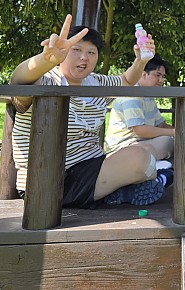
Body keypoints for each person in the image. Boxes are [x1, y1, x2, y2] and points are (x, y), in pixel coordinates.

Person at [10, 14, 170, 209]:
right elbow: (18, 81)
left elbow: (127, 81)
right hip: (46, 179)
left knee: (146, 154)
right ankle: (126, 189)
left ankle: (120, 189)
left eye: (91, 52)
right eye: (76, 50)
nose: (84, 57)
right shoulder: (46, 80)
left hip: (92, 168)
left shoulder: (96, 83)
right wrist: (45, 60)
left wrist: (141, 61)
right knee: (144, 161)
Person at [105, 55, 174, 164]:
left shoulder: (148, 95)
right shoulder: (132, 94)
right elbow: (140, 130)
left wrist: (181, 132)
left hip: (141, 144)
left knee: (175, 141)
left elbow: (161, 125)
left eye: (163, 76)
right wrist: (173, 132)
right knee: (168, 142)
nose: (161, 80)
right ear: (143, 74)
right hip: (120, 149)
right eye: (158, 75)